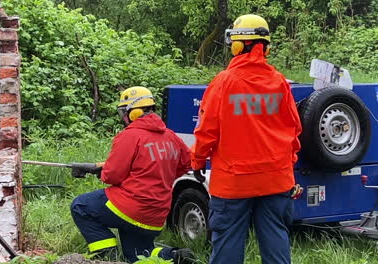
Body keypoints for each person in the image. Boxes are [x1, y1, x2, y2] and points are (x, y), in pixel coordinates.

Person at [190, 14, 303, 264]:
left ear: (238, 45)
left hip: (234, 182)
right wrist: (287, 164)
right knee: (276, 237)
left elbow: (206, 131)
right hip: (276, 178)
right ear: (266, 46)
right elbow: (294, 128)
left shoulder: (223, 83)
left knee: (228, 240)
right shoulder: (279, 82)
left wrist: (197, 163)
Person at [70, 86, 195, 264]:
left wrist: (103, 171)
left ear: (134, 112)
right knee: (138, 256)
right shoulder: (171, 136)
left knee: (80, 206)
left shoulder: (130, 136)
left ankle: (108, 258)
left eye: (124, 111)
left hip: (131, 207)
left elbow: (112, 176)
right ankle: (176, 257)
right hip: (156, 214)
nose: (123, 117)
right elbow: (185, 164)